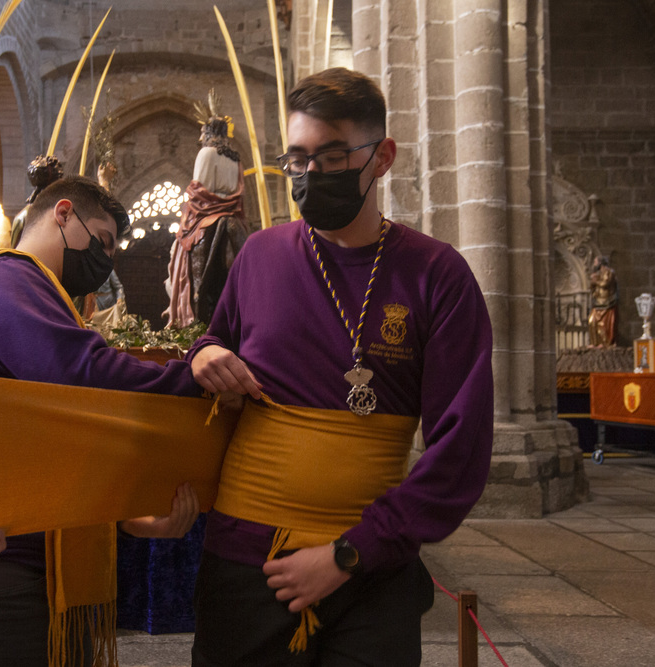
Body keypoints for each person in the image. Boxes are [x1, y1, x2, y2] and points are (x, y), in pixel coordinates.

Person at [187, 67, 494, 666]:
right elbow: (216, 339)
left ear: (381, 157)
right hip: (249, 560)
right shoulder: (259, 255)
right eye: (297, 158)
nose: (310, 174)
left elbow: (461, 448)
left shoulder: (437, 274)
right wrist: (205, 353)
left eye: (331, 156)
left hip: (370, 571)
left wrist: (350, 554)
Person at [0, 175, 204, 667]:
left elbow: (56, 442)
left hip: (33, 565)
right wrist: (195, 381)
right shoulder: (2, 278)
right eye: (100, 240)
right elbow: (80, 373)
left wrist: (129, 517)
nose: (105, 261)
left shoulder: (45, 295)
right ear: (62, 213)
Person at [164, 90, 250, 328]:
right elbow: (239, 190)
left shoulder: (206, 153)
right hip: (231, 213)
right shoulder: (235, 158)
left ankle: (187, 311)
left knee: (180, 248)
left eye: (203, 132)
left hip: (207, 214)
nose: (200, 137)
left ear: (210, 132)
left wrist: (188, 206)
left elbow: (198, 188)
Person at [588, 255, 618, 347]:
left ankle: (605, 343)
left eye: (595, 262)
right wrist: (592, 282)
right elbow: (592, 287)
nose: (594, 264)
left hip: (607, 303)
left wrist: (595, 281)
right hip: (598, 302)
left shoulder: (609, 272)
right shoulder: (597, 274)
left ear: (600, 262)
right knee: (591, 321)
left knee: (604, 325)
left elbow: (605, 283)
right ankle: (595, 343)